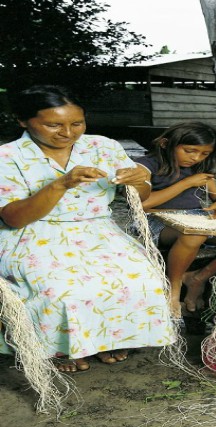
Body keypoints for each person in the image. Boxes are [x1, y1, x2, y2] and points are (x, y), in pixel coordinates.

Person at [0, 85, 175, 373]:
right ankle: (61, 349)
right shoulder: (7, 157)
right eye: (53, 124)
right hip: (32, 234)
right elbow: (13, 218)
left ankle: (108, 339)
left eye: (76, 123)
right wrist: (60, 184)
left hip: (97, 231)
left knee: (141, 278)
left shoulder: (102, 146)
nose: (67, 133)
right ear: (22, 120)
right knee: (60, 288)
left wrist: (140, 179)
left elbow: (141, 196)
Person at [135, 122, 216, 321]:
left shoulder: (199, 169)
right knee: (194, 232)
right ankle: (174, 289)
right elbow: (143, 205)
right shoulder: (144, 166)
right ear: (165, 143)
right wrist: (187, 183)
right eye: (190, 151)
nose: (196, 158)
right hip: (156, 221)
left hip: (196, 218)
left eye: (204, 154)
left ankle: (198, 278)